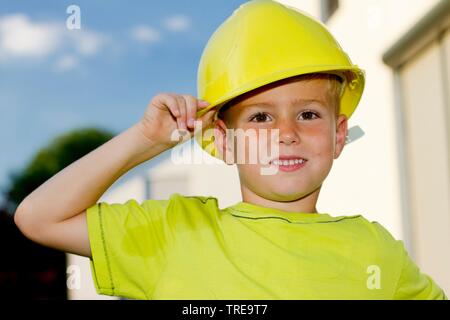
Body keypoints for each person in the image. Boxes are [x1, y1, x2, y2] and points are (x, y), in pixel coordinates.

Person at [14, 0, 447, 300]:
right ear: (224, 141)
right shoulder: (176, 232)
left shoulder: (377, 250)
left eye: (308, 115)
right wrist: (145, 140)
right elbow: (39, 217)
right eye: (260, 118)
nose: (286, 133)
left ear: (338, 136)